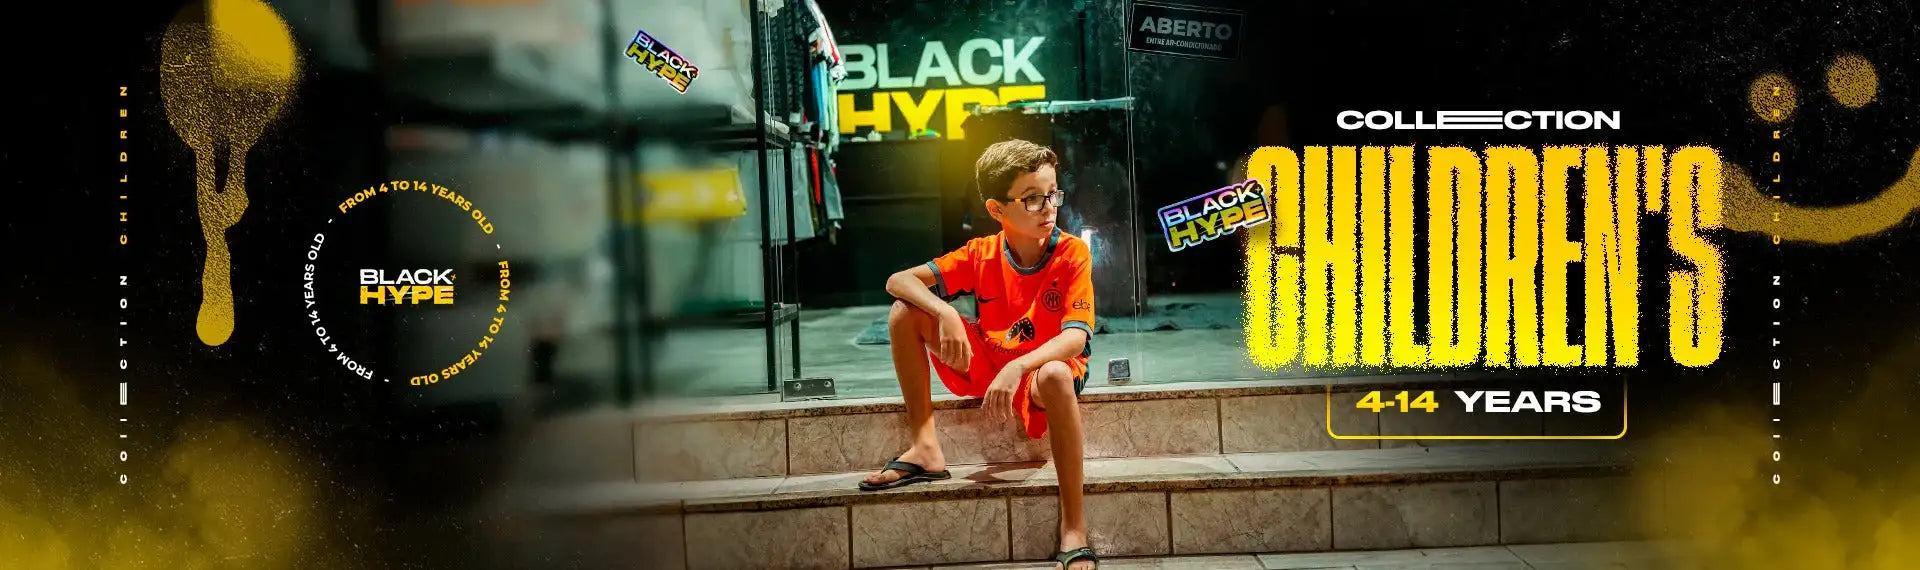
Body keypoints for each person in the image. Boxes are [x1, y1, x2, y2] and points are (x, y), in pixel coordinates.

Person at [860, 139, 1098, 569]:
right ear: (996, 210)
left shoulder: (1072, 252)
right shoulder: (982, 253)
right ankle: (925, 447)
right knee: (904, 314)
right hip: (991, 363)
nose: (1049, 207)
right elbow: (899, 281)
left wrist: (1020, 364)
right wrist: (943, 309)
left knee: (1057, 375)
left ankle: (1074, 528)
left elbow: (1076, 339)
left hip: (1042, 369)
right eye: (1032, 199)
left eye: (1053, 194)